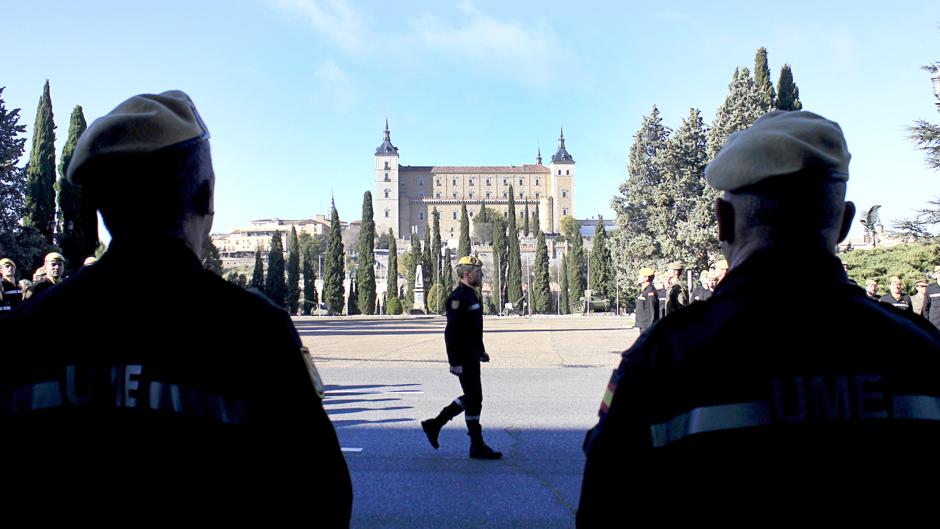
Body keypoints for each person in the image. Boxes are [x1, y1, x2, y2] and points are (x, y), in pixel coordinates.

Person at [0, 90, 352, 522]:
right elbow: (321, 498)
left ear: (102, 209)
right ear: (206, 197)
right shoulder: (252, 332)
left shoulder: (24, 333)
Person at [577, 111, 940, 524]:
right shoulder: (922, 352)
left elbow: (604, 510)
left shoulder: (664, 361)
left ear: (722, 220)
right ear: (843, 222)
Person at [421, 255, 502, 460]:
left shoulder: (471, 295)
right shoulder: (458, 298)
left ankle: (472, 442)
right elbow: (452, 332)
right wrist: (453, 361)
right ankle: (439, 425)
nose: (480, 274)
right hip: (463, 357)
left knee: (475, 399)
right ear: (466, 275)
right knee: (474, 397)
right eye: (477, 272)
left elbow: (474, 329)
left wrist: (481, 351)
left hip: (471, 355)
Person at [634, 267, 659, 334]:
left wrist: (650, 327)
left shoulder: (650, 292)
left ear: (646, 278)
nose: (638, 277)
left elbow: (651, 311)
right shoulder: (645, 291)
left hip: (647, 326)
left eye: (640, 275)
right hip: (644, 325)